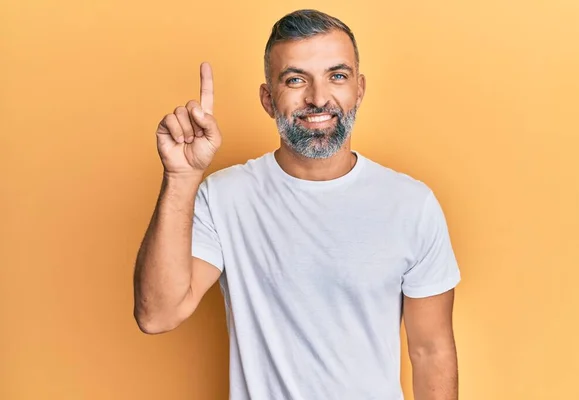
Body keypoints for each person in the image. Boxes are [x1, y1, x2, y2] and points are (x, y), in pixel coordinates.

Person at [134, 9, 461, 400]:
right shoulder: (224, 198)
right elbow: (157, 315)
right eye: (295, 80)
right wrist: (181, 178)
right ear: (268, 99)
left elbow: (431, 352)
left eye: (336, 76)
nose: (318, 98)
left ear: (359, 89)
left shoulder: (411, 205)